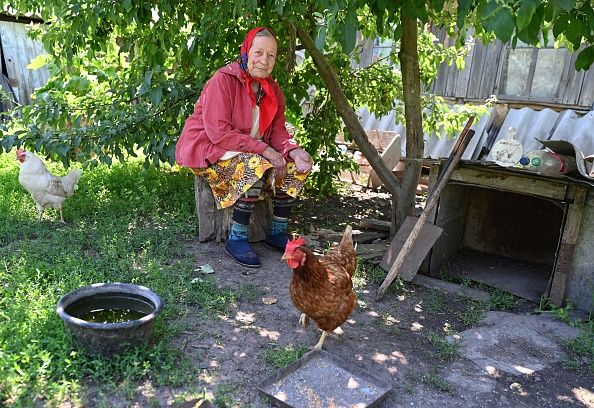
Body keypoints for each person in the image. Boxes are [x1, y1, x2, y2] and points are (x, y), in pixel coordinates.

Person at [176, 27, 313, 269]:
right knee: (256, 163)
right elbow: (219, 133)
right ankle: (237, 238)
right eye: (258, 52)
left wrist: (294, 150)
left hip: (248, 150)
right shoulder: (223, 80)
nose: (264, 59)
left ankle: (276, 233)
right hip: (212, 149)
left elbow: (279, 132)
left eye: (271, 55)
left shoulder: (273, 89)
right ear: (246, 52)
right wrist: (265, 150)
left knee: (295, 167)